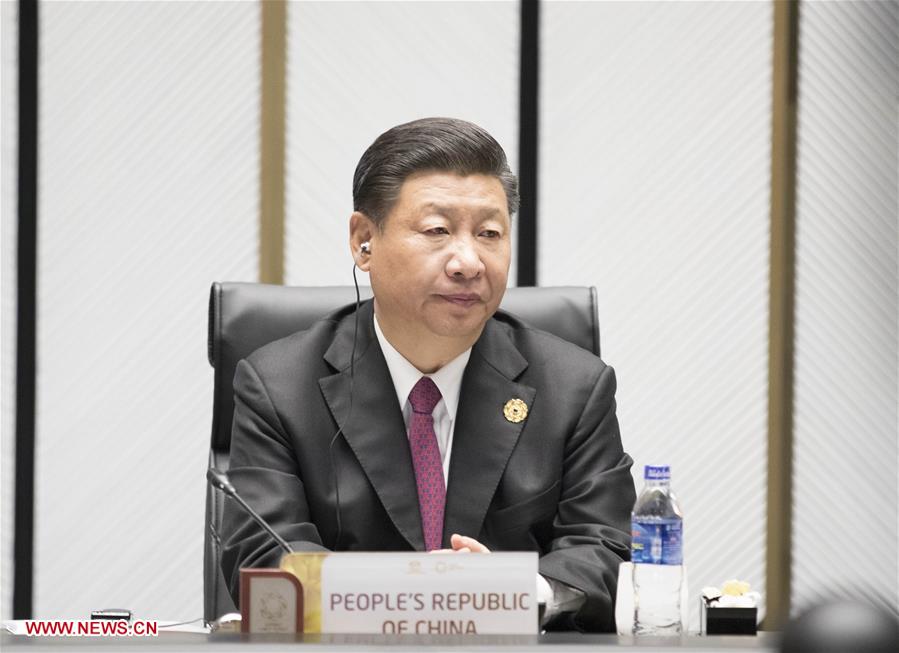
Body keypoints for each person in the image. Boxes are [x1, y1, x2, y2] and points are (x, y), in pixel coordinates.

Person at [221, 117, 636, 631]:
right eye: (437, 231)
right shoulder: (279, 386)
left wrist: (517, 592)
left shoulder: (574, 387)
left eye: (489, 233)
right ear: (364, 241)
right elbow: (264, 555)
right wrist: (423, 594)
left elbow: (608, 549)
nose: (468, 262)